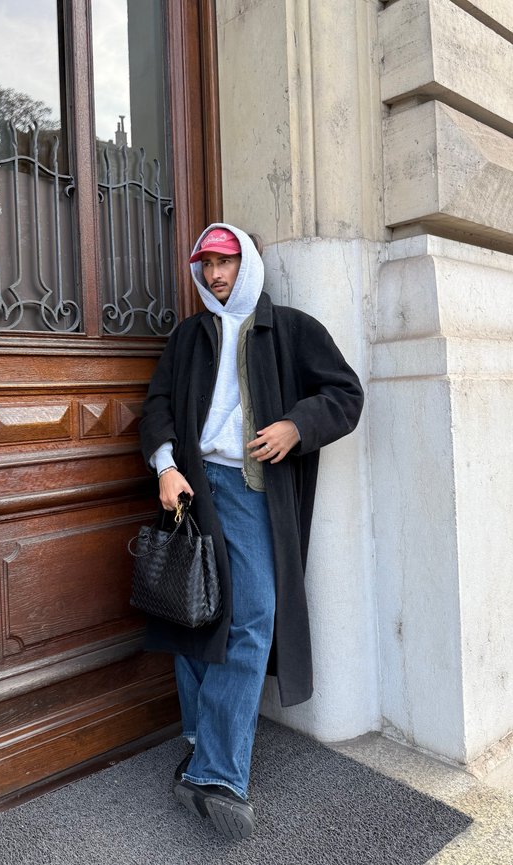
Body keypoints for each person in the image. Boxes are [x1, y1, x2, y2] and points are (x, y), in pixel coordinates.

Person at [139, 223, 364, 841]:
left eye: (226, 262)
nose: (215, 274)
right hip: (191, 486)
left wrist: (296, 426)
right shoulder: (188, 336)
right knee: (192, 611)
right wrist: (165, 467)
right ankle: (204, 744)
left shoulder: (291, 329)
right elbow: (156, 404)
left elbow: (345, 394)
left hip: (252, 488)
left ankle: (214, 767)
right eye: (206, 263)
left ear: (248, 263)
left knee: (253, 613)